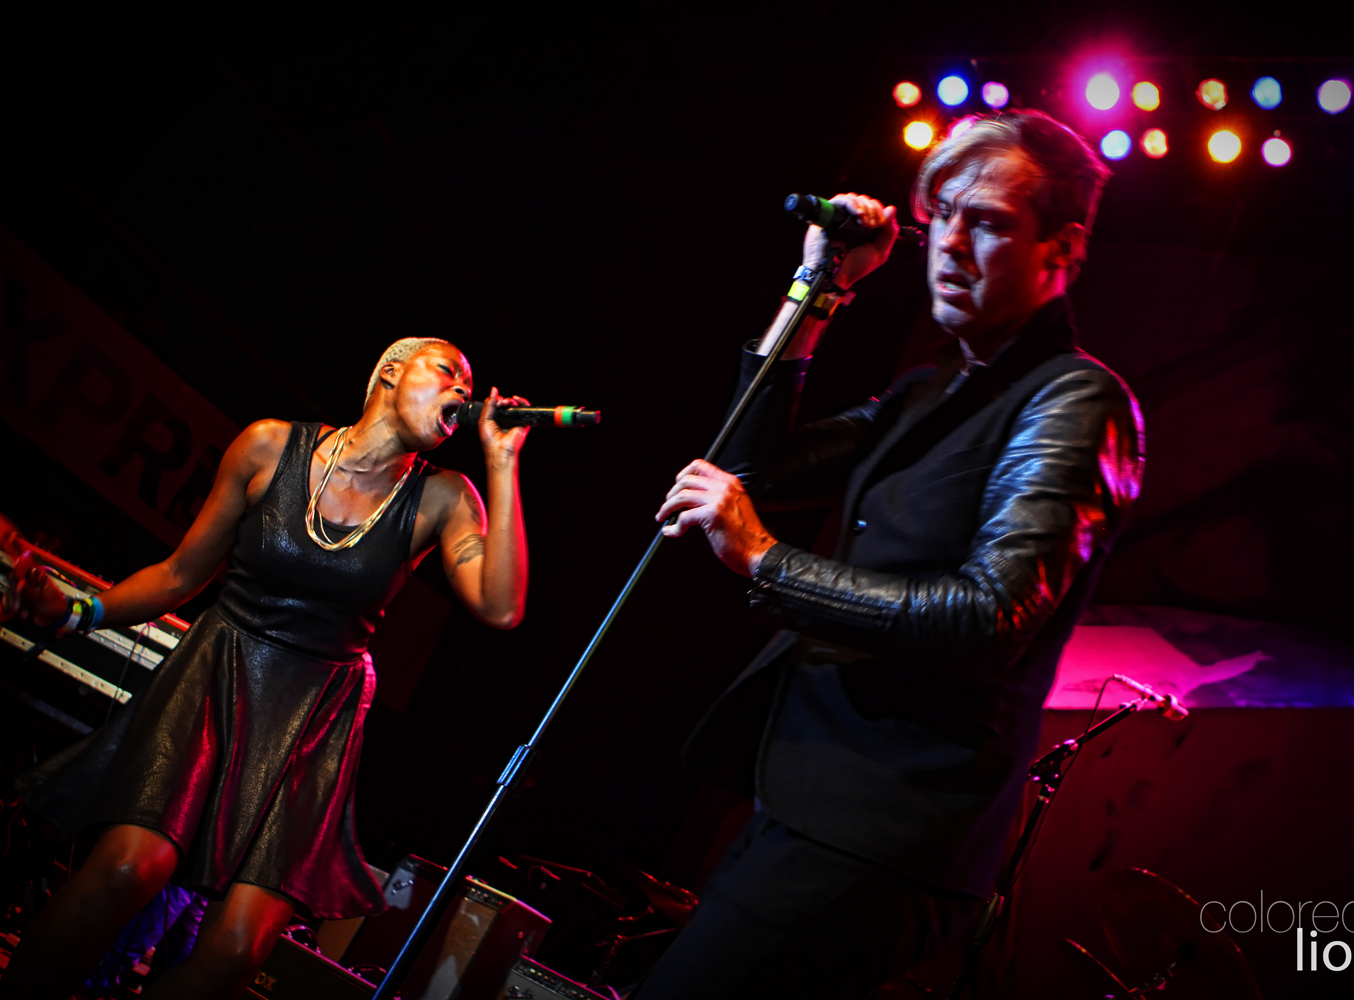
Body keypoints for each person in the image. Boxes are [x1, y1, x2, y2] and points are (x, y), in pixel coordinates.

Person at [643, 109, 1145, 997]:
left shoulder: (1073, 402)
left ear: (1062, 249)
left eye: (986, 222)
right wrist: (818, 286)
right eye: (941, 215)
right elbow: (751, 467)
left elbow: (989, 619)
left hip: (890, 827)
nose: (949, 243)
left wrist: (765, 560)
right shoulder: (929, 391)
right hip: (816, 804)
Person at [0, 338, 530, 999]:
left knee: (237, 950)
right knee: (128, 869)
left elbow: (500, 606)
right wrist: (82, 611)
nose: (461, 390)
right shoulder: (268, 446)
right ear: (390, 372)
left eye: (467, 386)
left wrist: (502, 461)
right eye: (448, 371)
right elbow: (179, 574)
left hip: (315, 717)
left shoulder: (444, 497)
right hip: (220, 673)